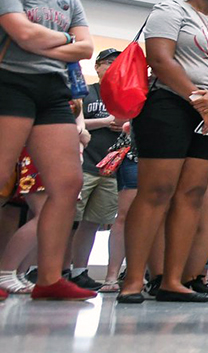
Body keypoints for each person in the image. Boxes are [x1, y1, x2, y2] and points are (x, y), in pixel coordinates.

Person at [118, 0, 208, 303]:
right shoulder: (169, 10)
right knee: (155, 192)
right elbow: (160, 58)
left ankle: (174, 281)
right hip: (168, 104)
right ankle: (132, 282)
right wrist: (196, 98)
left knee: (191, 196)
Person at [0, 0, 96, 299]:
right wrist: (64, 39)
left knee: (67, 183)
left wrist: (43, 40)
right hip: (11, 83)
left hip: (54, 90)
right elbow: (20, 32)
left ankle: (49, 278)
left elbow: (85, 48)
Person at [69, 47, 124, 291]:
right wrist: (104, 122)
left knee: (93, 223)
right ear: (98, 66)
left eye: (117, 63)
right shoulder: (87, 92)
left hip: (111, 170)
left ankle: (80, 270)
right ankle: (52, 268)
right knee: (70, 219)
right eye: (108, 62)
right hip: (84, 165)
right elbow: (73, 122)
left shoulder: (124, 96)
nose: (112, 67)